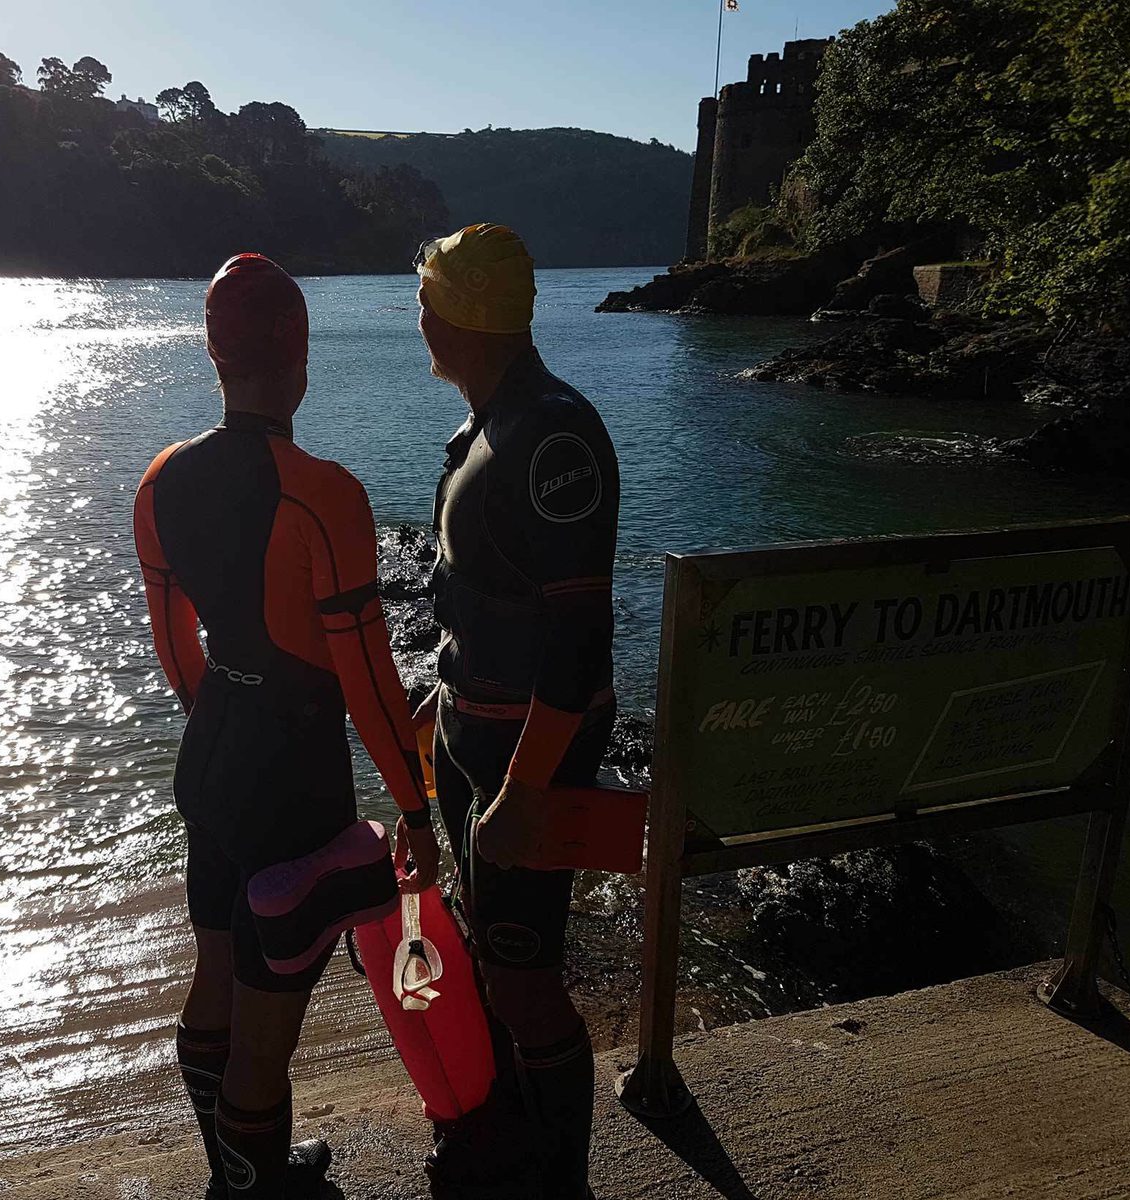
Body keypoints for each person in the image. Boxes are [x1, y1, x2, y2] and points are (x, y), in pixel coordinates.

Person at [134, 253, 440, 1199]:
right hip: (291, 778)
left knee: (217, 964)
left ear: (215, 356)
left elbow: (176, 647)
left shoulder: (159, 481)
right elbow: (370, 681)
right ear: (299, 356)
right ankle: (253, 1183)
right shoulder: (325, 493)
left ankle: (234, 1165)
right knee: (271, 1017)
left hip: (215, 750)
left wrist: (221, 724)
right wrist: (417, 807)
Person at [413, 224, 619, 1200]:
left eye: (427, 300)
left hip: (523, 767)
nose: (417, 319)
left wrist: (523, 794)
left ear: (457, 317)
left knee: (529, 982)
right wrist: (437, 698)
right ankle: (508, 1159)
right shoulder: (492, 423)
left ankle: (562, 1185)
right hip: (474, 740)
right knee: (486, 955)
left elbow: (577, 653)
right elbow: (484, 595)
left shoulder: (552, 439)